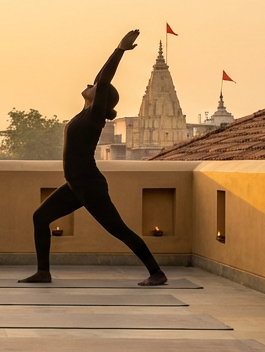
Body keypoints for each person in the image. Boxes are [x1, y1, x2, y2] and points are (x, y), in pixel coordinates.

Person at [22, 29, 167, 286]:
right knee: (40, 217)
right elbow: (100, 78)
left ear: (100, 97)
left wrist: (120, 50)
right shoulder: (84, 113)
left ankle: (156, 273)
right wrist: (115, 50)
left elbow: (104, 78)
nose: (90, 85)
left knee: (118, 229)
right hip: (76, 184)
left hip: (88, 184)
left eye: (95, 87)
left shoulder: (94, 116)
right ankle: (43, 272)